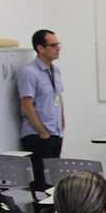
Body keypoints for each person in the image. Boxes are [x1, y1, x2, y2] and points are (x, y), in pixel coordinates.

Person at [16, 30, 65, 190]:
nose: (58, 48)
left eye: (58, 44)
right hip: (38, 136)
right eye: (53, 45)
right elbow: (26, 105)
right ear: (40, 48)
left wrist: (62, 123)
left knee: (54, 182)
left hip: (55, 132)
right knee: (41, 184)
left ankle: (54, 209)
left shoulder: (55, 71)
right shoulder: (29, 73)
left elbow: (58, 97)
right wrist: (42, 132)